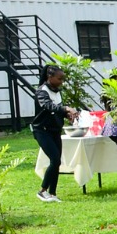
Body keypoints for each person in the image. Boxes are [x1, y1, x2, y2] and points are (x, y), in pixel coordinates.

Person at [31, 64, 76, 203]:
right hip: (42, 131)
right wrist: (66, 108)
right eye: (59, 78)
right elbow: (48, 106)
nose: (61, 81)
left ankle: (52, 193)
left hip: (55, 130)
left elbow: (56, 110)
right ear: (49, 77)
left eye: (63, 79)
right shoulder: (42, 91)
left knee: (57, 162)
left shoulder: (57, 91)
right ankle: (42, 191)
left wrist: (66, 115)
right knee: (55, 159)